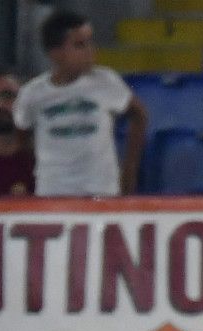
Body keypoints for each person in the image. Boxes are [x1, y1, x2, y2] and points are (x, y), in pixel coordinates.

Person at [15, 9, 149, 196]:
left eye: (90, 42)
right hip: (52, 194)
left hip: (101, 191)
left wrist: (129, 171)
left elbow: (139, 115)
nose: (90, 50)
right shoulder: (32, 94)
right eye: (79, 45)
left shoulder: (105, 81)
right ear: (55, 53)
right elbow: (21, 134)